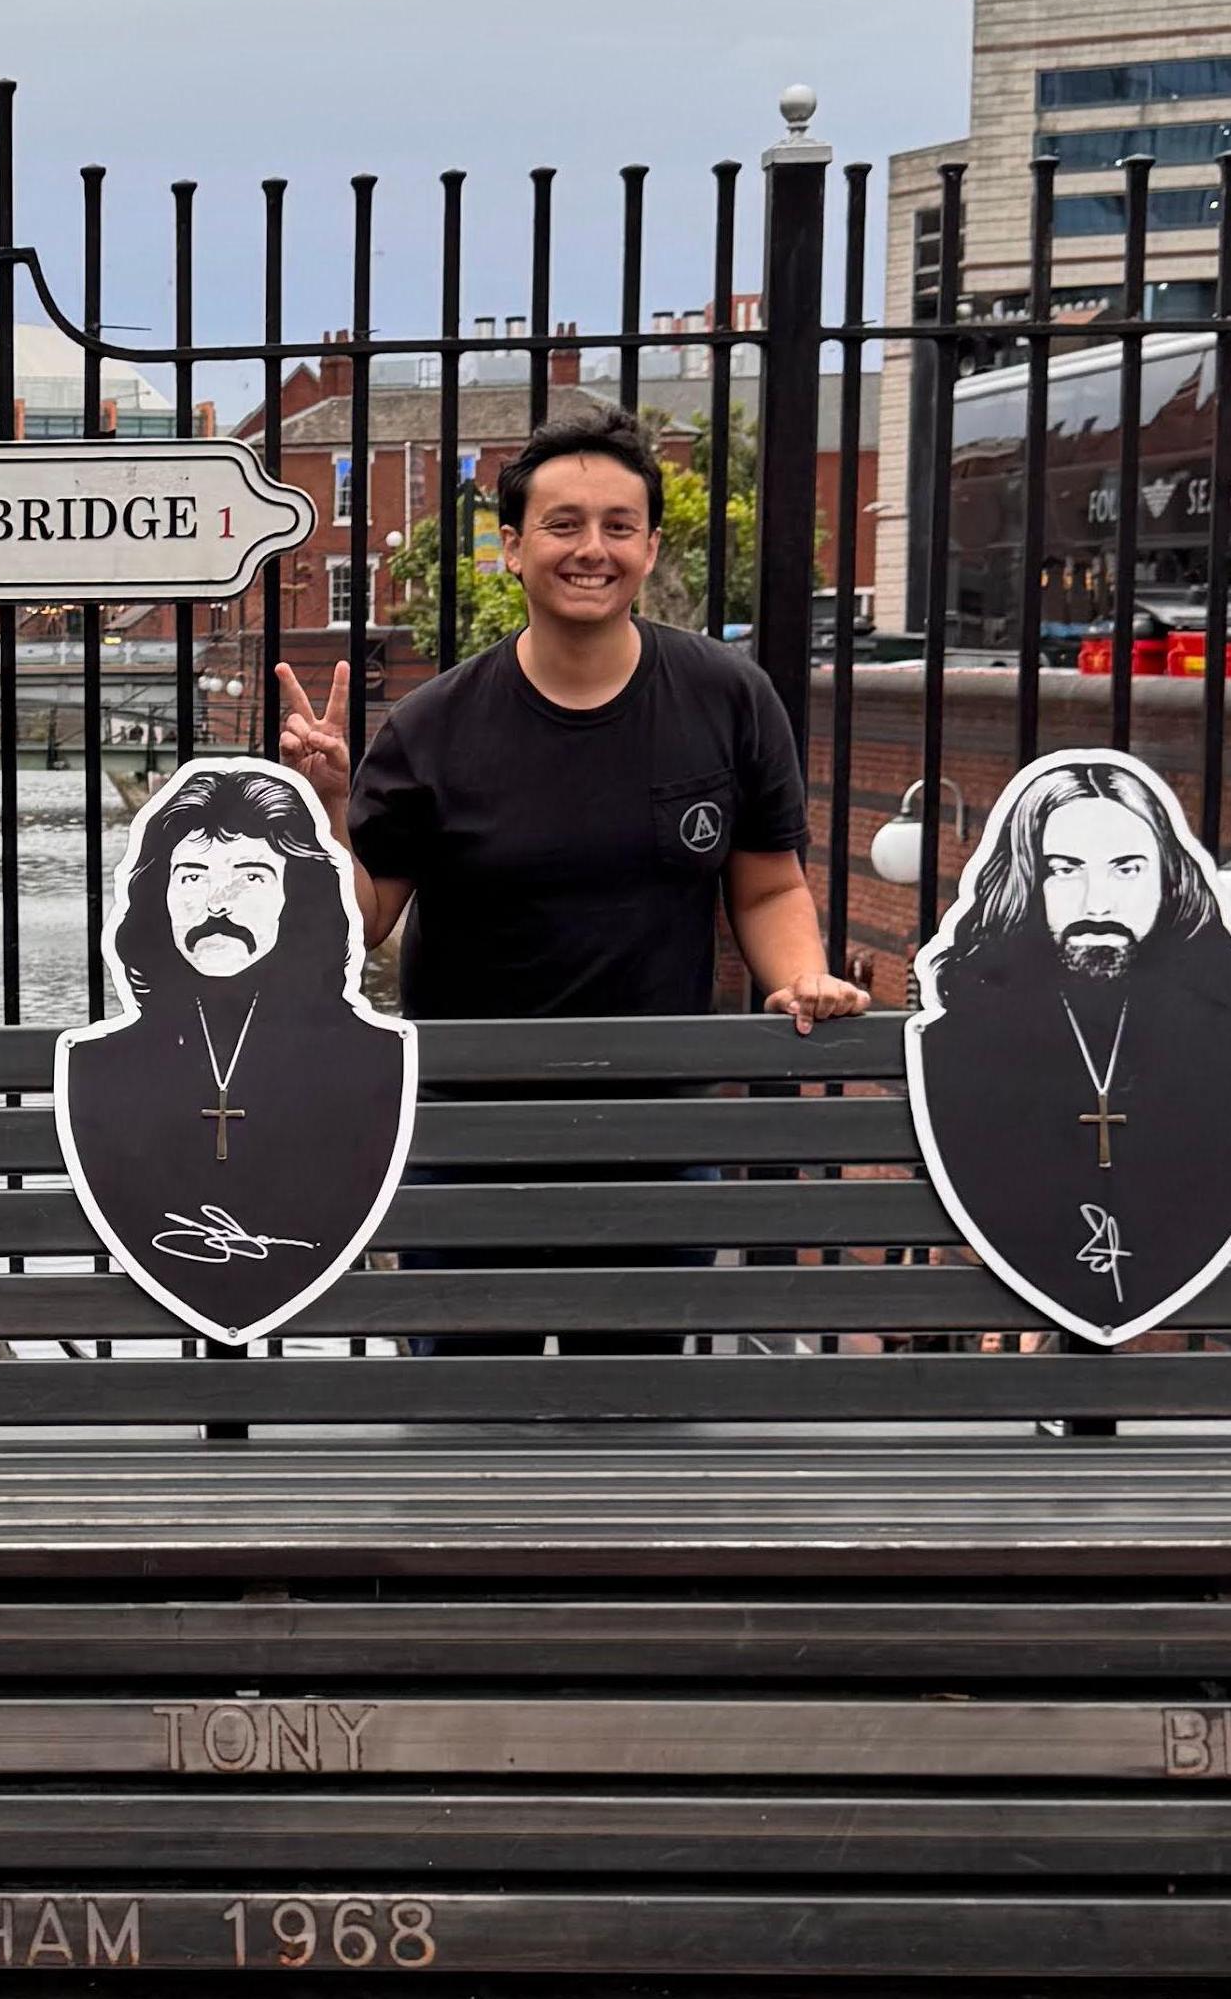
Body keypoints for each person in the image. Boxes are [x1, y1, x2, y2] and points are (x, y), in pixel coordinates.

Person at [280, 402, 864, 1356]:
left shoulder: (726, 698)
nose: (590, 549)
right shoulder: (430, 726)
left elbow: (765, 886)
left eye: (616, 526)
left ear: (647, 547)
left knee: (633, 1412)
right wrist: (325, 820)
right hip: (467, 1135)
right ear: (511, 548)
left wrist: (795, 973)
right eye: (561, 525)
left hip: (655, 1128)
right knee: (463, 1420)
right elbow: (367, 918)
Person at [56, 762, 411, 1342]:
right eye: (192, 878)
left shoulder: (375, 1060)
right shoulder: (93, 1068)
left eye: (251, 878)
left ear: (296, 896)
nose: (217, 904)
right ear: (157, 897)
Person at [911, 755, 1231, 1341]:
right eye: (1064, 870)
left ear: (1171, 880)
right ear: (1026, 883)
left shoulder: (1218, 1032)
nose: (1097, 904)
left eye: (1127, 869)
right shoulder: (958, 1045)